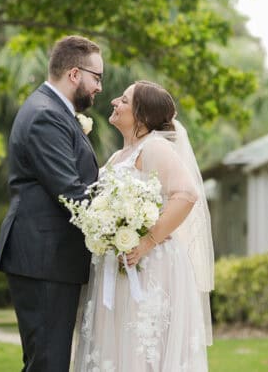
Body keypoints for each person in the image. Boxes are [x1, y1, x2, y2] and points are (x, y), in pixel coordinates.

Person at [72, 80, 214, 372]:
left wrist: (147, 240)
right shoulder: (116, 158)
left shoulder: (156, 148)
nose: (114, 102)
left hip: (149, 266)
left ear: (141, 114)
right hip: (116, 265)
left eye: (123, 100)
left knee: (141, 346)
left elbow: (186, 194)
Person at [0, 35, 104, 371]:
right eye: (96, 77)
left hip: (50, 257)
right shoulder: (45, 115)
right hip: (43, 256)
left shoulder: (53, 110)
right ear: (75, 74)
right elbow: (70, 192)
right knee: (48, 363)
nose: (99, 87)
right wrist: (117, 225)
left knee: (48, 360)